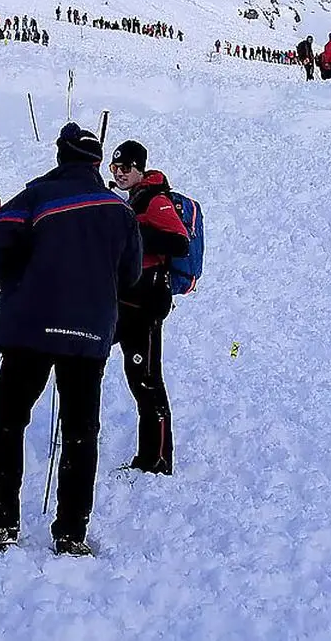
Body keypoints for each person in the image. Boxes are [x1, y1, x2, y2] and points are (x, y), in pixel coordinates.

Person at [0, 124, 142, 556]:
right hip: (88, 333)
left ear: (60, 156)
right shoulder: (121, 211)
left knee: (10, 421)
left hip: (30, 327)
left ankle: (0, 522)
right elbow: (131, 275)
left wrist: (15, 282)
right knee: (81, 432)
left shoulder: (36, 196)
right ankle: (71, 531)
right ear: (95, 162)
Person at [108, 141, 189, 475]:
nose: (119, 172)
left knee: (146, 379)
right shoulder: (136, 198)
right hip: (129, 301)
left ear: (140, 168)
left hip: (147, 305)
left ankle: (157, 458)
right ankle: (150, 455)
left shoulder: (156, 199)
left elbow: (179, 242)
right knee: (135, 374)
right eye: (114, 167)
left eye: (126, 167)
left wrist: (135, 232)